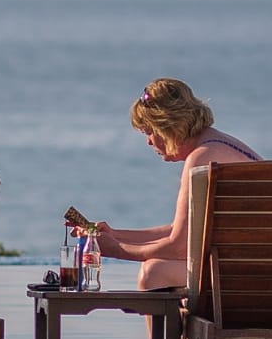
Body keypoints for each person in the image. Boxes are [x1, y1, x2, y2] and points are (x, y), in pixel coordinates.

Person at [86, 78, 259, 291]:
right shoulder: (222, 144)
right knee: (160, 268)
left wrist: (116, 250)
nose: (149, 141)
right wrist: (115, 236)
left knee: (154, 272)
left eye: (149, 131)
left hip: (250, 277)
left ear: (167, 126)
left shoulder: (201, 158)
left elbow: (179, 247)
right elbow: (180, 232)